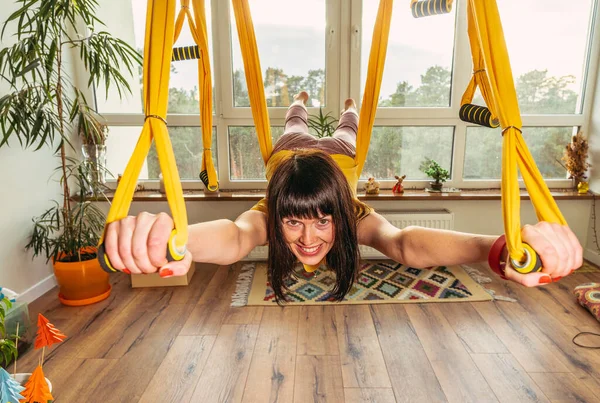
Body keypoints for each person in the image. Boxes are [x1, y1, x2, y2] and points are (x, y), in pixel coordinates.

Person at [103, 92, 583, 303]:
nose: (309, 238)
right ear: (279, 214)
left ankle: (347, 107)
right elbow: (232, 238)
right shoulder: (271, 208)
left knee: (346, 130)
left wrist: (495, 248)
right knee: (293, 123)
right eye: (294, 223)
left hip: (337, 156)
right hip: (289, 155)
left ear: (339, 211)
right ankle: (301, 102)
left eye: (322, 221)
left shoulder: (350, 209)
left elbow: (402, 243)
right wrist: (176, 240)